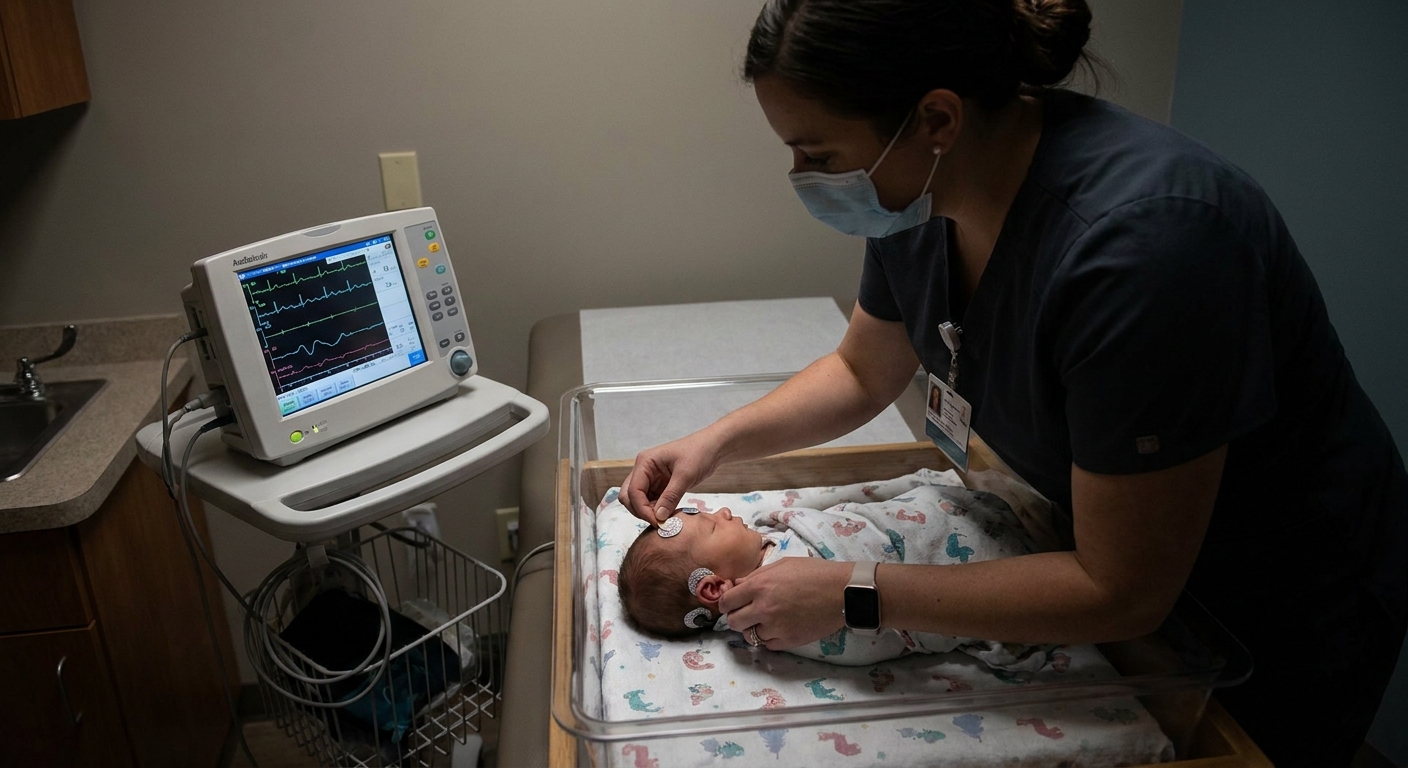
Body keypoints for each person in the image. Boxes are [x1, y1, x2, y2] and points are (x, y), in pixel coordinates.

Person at [618, 1, 1408, 765]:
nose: (803, 178)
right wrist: (714, 442)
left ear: (935, 120)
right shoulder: (921, 202)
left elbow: (1121, 588)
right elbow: (863, 369)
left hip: (1281, 591)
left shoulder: (1145, 249)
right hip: (1097, 554)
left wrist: (857, 592)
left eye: (818, 156)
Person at [615, 476, 1052, 671]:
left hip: (965, 513)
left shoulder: (767, 537)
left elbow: (847, 508)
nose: (726, 511)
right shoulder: (783, 620)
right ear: (711, 587)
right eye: (712, 525)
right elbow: (867, 640)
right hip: (991, 572)